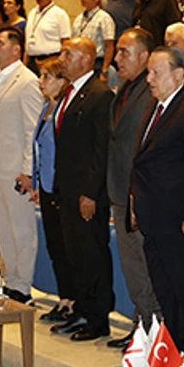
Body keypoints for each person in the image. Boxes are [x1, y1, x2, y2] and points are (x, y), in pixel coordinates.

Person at [131, 46, 184, 353]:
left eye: (156, 72)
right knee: (166, 293)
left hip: (181, 222)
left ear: (179, 74)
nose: (149, 79)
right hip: (155, 219)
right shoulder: (158, 107)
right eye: (148, 72)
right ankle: (173, 355)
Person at [52, 37, 115, 341]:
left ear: (87, 60)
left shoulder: (100, 95)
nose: (62, 59)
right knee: (74, 253)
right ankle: (81, 309)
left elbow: (101, 150)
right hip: (67, 189)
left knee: (92, 255)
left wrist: (91, 192)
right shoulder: (69, 92)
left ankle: (97, 318)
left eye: (69, 54)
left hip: (86, 193)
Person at [106, 28, 160, 346]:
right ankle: (141, 326)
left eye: (124, 52)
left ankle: (153, 332)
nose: (117, 58)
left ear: (144, 56)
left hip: (139, 194)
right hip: (120, 191)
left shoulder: (151, 92)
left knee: (145, 265)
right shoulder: (126, 89)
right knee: (132, 267)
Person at [0, 26, 43, 302]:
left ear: (17, 50)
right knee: (3, 229)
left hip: (16, 170)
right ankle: (11, 280)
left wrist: (28, 171)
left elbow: (32, 130)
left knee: (21, 230)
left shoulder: (27, 81)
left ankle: (24, 286)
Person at [32, 57, 71, 316]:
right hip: (45, 186)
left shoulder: (65, 111)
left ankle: (73, 301)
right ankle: (64, 297)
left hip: (61, 187)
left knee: (67, 248)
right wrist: (36, 181)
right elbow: (38, 148)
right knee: (55, 246)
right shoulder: (46, 108)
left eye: (47, 77)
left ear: (62, 81)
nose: (41, 81)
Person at [72, 0, 117, 69]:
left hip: (96, 62)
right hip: (79, 61)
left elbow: (109, 46)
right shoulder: (78, 18)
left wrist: (105, 69)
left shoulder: (104, 18)